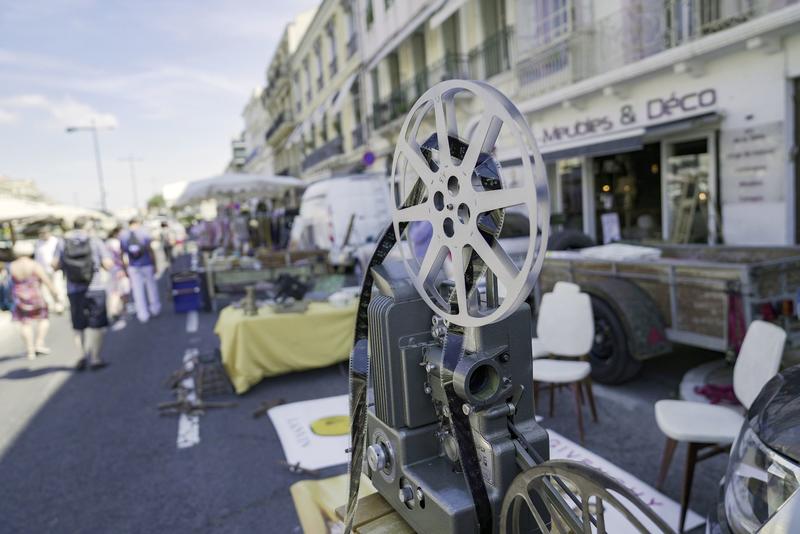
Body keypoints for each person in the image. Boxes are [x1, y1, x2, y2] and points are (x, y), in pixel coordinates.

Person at [56, 217, 114, 370]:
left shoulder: (62, 242)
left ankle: (81, 356)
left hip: (73, 289)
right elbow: (108, 264)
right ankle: (95, 358)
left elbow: (55, 265)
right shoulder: (95, 241)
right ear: (88, 226)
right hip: (95, 287)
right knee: (97, 324)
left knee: (78, 325)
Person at [9, 241, 60, 360]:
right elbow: (46, 281)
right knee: (43, 319)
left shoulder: (12, 266)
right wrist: (55, 295)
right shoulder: (34, 265)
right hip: (35, 296)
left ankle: (30, 350)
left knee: (25, 323)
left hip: (19, 298)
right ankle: (39, 343)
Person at [120, 217, 161, 323]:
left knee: (137, 291)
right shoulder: (144, 233)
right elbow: (150, 250)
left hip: (133, 266)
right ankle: (155, 308)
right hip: (146, 264)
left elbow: (123, 254)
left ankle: (142, 314)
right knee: (151, 287)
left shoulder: (123, 235)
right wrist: (155, 264)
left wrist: (125, 268)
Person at [34, 227, 65, 313]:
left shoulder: (55, 241)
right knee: (46, 289)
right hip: (43, 270)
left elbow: (60, 254)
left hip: (56, 269)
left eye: (45, 233)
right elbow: (37, 257)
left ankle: (59, 304)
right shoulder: (38, 243)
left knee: (58, 286)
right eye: (42, 233)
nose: (43, 235)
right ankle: (51, 305)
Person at [105, 226, 131, 328]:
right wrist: (125, 269)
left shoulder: (107, 242)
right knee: (124, 291)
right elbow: (122, 257)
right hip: (119, 269)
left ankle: (113, 310)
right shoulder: (117, 242)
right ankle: (123, 310)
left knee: (113, 291)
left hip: (111, 270)